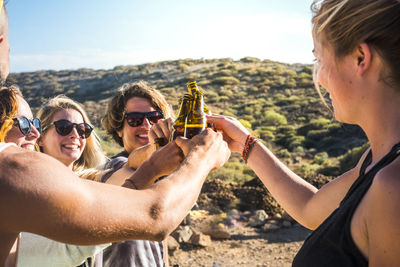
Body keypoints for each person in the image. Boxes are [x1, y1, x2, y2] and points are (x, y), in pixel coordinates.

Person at [0, 3, 231, 267]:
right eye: (23, 123)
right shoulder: (15, 172)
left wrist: (155, 159)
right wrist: (202, 156)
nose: (32, 132)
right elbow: (152, 214)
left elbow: (73, 244)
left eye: (82, 129)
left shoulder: (57, 186)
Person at [208, 0, 400, 266]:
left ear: (360, 58)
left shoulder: (393, 185)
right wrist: (246, 144)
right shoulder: (375, 161)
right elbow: (310, 208)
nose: (318, 78)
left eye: (319, 58)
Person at [15, 95, 109, 267]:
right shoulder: (26, 192)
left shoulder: (96, 183)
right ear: (40, 137)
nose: (75, 135)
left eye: (82, 130)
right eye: (64, 128)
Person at [101, 81, 173, 267]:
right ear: (119, 128)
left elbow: (161, 232)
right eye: (135, 119)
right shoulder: (113, 168)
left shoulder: (160, 171)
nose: (147, 125)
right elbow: (134, 166)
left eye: (154, 118)